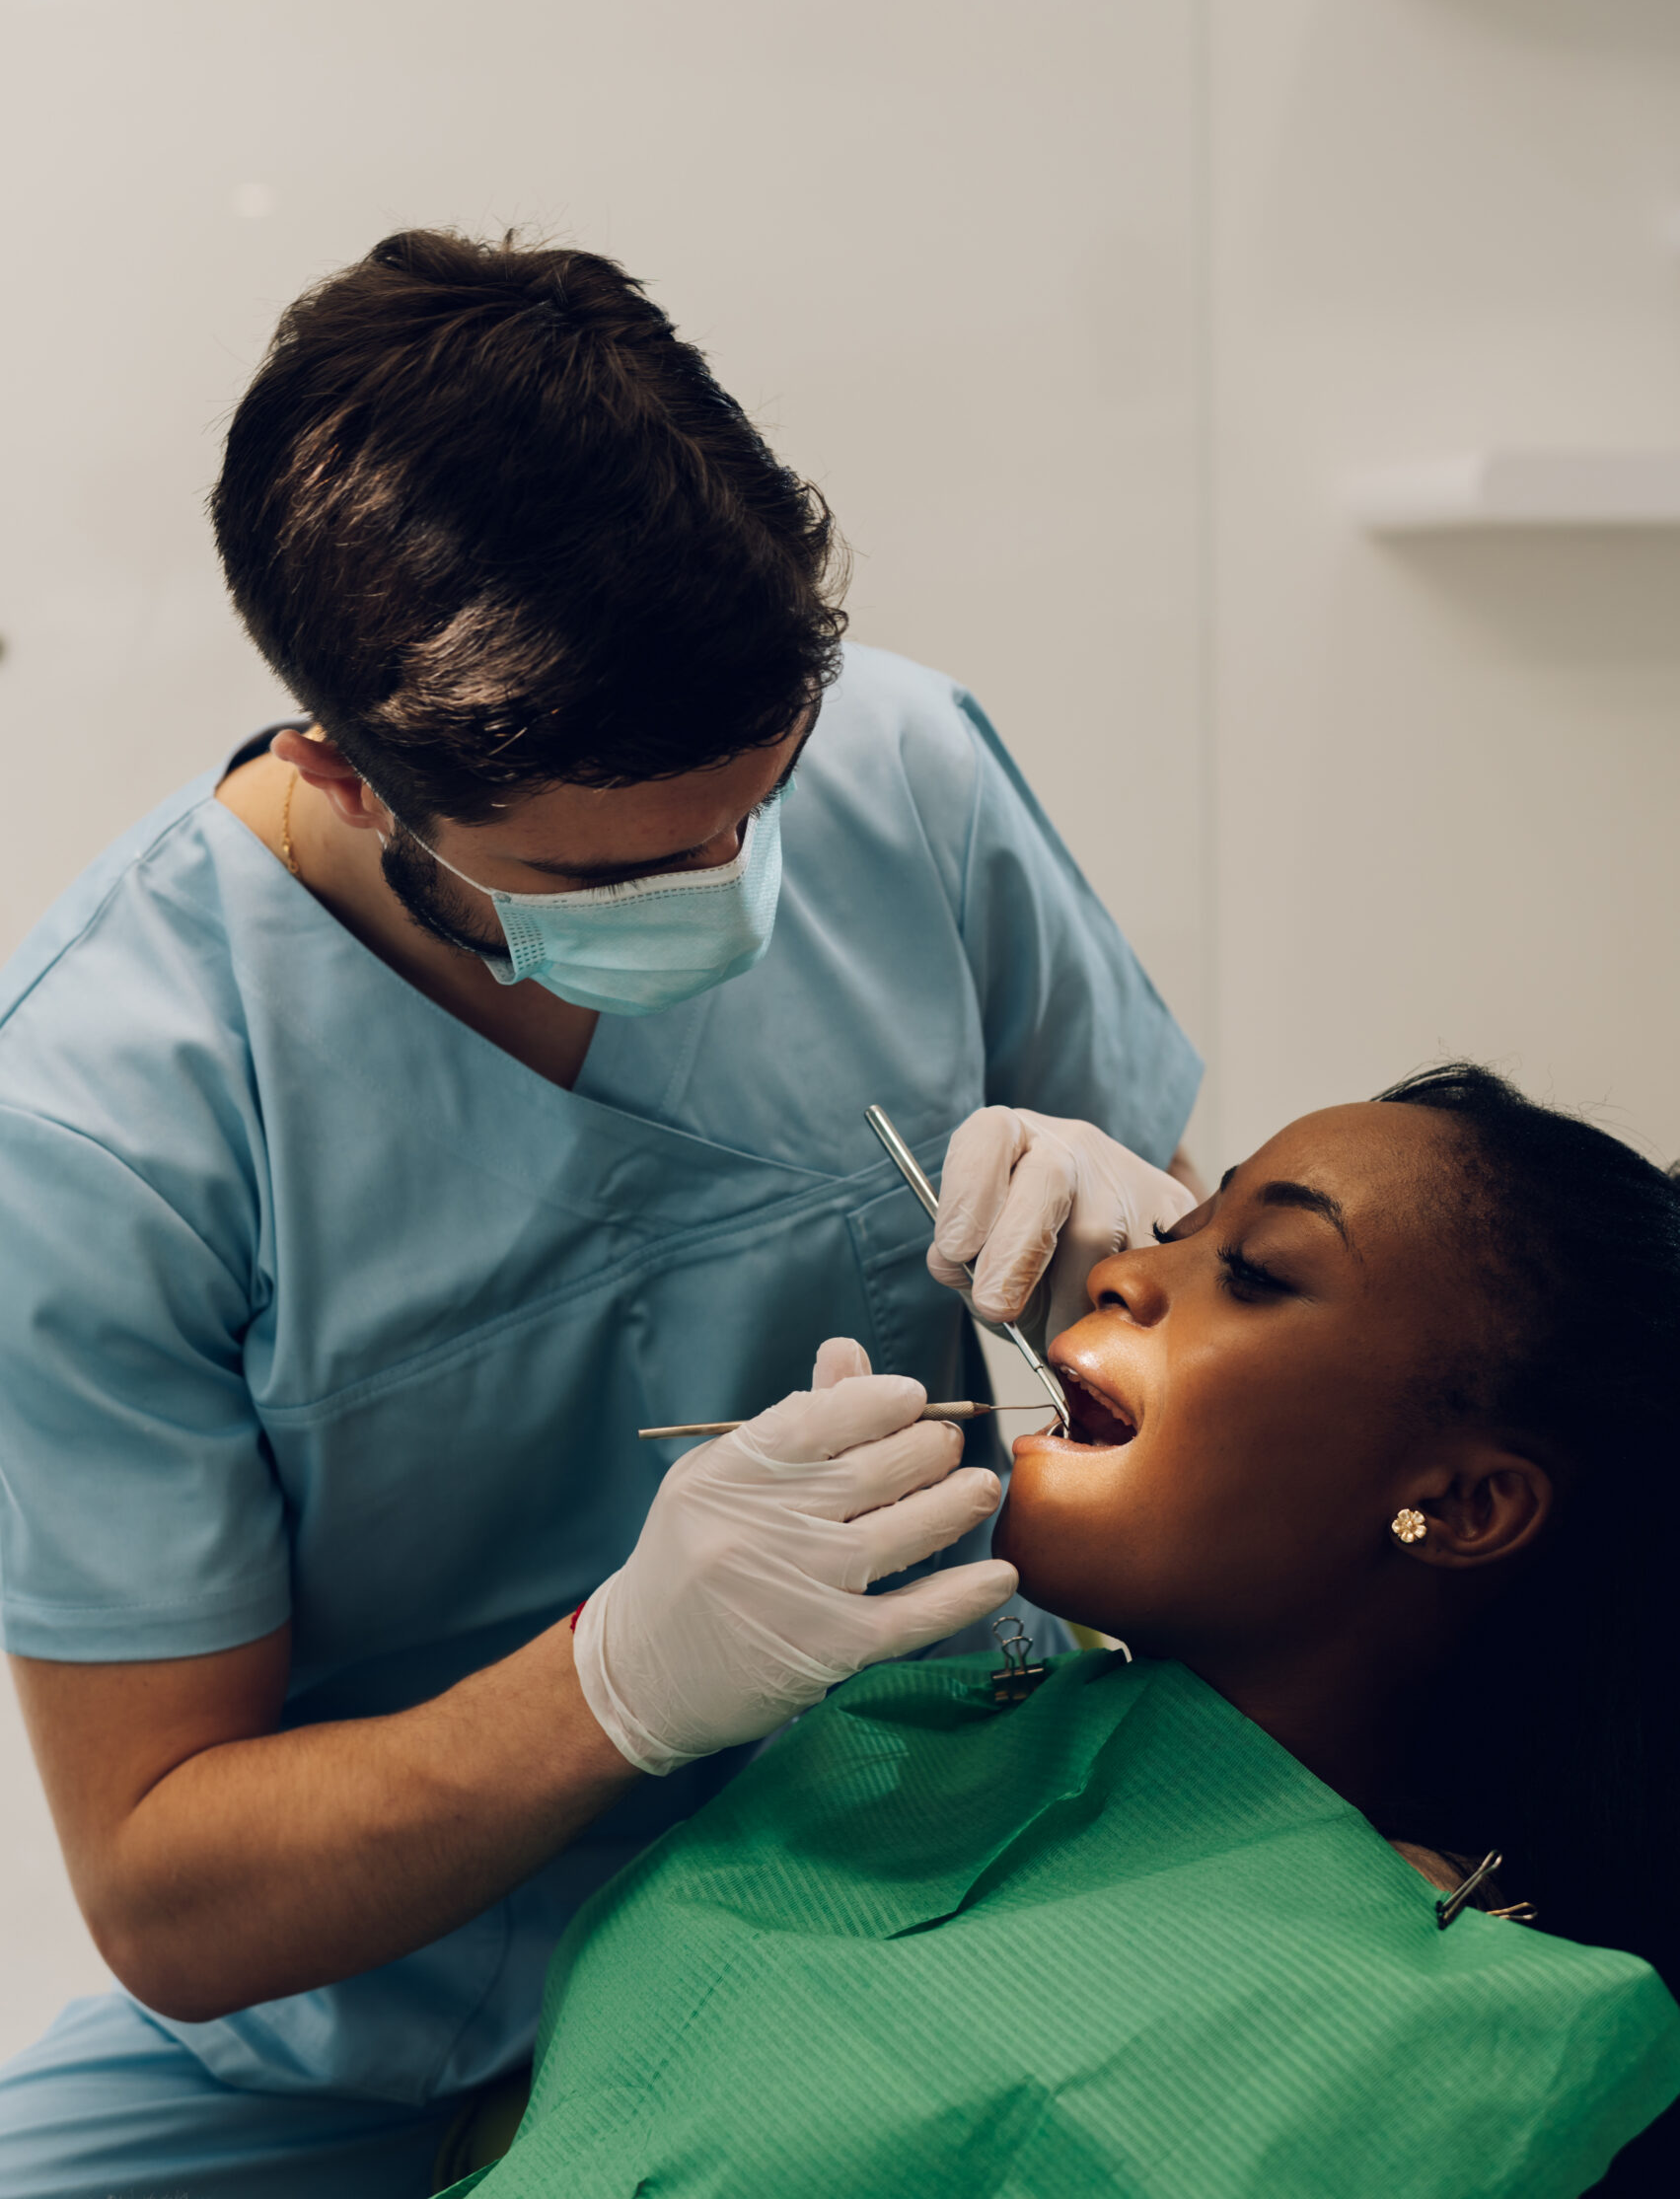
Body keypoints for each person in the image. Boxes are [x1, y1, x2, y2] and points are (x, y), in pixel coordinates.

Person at [0, 231, 1201, 2198]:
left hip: (943, 1844)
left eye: (755, 801)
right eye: (615, 868)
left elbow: (1240, 1335)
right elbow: (168, 1889)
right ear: (341, 769)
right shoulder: (98, 1118)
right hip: (389, 2019)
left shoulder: (904, 766)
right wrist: (611, 1684)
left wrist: (1138, 1259)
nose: (729, 883)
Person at [439, 1065, 1680, 2199]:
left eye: (1254, 1270)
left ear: (1463, 1505)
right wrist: (605, 1690)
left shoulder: (1454, 2044)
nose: (1116, 1271)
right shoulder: (917, 1740)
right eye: (1181, 1231)